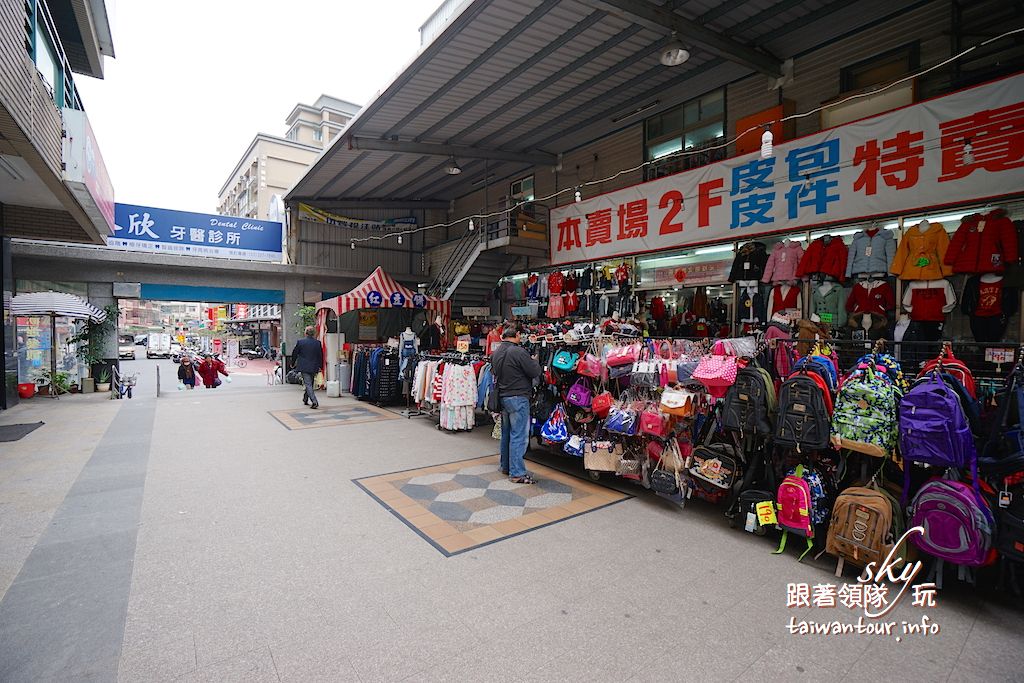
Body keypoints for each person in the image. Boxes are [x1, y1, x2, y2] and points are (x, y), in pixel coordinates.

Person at [491, 323, 542, 484]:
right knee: (519, 436)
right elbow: (534, 372)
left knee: (507, 434)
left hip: (503, 397)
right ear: (517, 335)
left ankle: (505, 466)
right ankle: (517, 473)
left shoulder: (497, 352)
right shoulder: (519, 352)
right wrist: (534, 361)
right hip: (518, 397)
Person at [290, 325, 324, 409]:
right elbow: (320, 355)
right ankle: (305, 399)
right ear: (313, 333)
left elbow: (295, 353)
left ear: (305, 333)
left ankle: (314, 401)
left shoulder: (300, 342)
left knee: (308, 384)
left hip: (304, 366)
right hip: (314, 366)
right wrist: (321, 366)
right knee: (309, 384)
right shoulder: (317, 343)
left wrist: (292, 363)